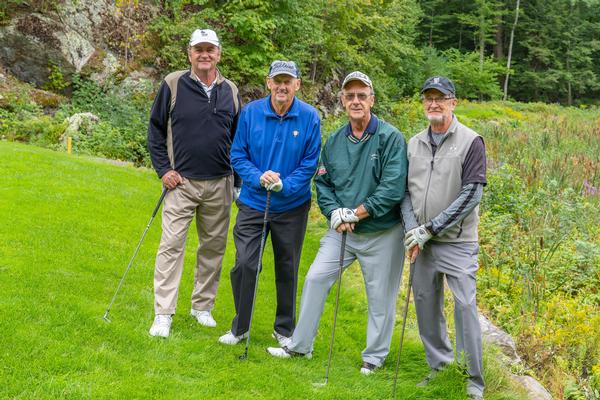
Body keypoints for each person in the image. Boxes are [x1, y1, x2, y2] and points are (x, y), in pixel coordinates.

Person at [267, 71, 408, 375]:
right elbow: (324, 183)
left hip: (382, 232)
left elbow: (393, 188)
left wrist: (357, 213)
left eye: (362, 95)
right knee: (315, 278)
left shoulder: (391, 137)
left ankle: (374, 356)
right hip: (342, 230)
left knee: (380, 297)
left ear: (372, 99)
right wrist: (333, 213)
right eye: (350, 96)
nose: (356, 101)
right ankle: (300, 346)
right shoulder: (334, 141)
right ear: (342, 101)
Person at [218, 60, 321, 347]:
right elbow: (238, 155)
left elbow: (310, 162)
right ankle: (241, 327)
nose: (282, 86)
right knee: (245, 264)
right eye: (278, 80)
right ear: (268, 82)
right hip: (253, 201)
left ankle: (284, 330)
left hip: (291, 206)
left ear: (297, 84)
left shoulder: (310, 117)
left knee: (287, 267)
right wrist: (258, 177)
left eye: (288, 81)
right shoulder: (251, 113)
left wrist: (284, 184)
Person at [146, 28, 242, 338]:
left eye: (210, 49)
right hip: (181, 183)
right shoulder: (173, 84)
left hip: (220, 183)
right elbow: (155, 130)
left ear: (219, 54)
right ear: (189, 53)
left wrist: (237, 181)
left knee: (213, 248)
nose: (204, 54)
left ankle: (202, 306)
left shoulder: (232, 90)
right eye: (198, 49)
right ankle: (163, 314)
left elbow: (238, 140)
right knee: (171, 246)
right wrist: (163, 169)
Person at [401, 76, 487, 400]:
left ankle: (473, 381)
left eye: (441, 98)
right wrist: (413, 230)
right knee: (425, 304)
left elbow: (472, 195)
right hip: (421, 243)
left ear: (454, 102)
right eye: (428, 98)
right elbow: (404, 193)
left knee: (465, 306)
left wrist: (430, 228)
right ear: (423, 102)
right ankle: (439, 367)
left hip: (458, 242)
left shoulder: (470, 141)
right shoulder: (413, 143)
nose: (434, 104)